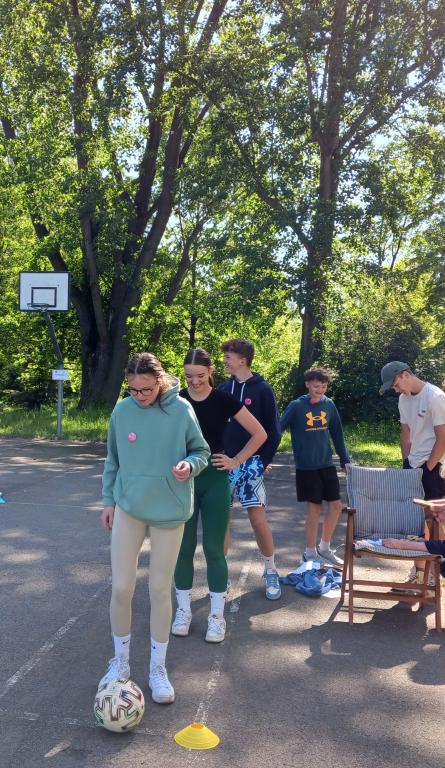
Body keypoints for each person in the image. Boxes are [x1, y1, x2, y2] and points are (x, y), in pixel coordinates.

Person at [100, 352, 210, 704]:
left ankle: (157, 668)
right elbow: (113, 460)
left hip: (169, 510)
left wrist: (189, 466)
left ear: (160, 381)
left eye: (146, 390)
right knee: (121, 588)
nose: (140, 396)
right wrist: (108, 501)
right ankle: (120, 663)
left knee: (160, 590)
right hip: (129, 507)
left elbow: (202, 452)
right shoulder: (122, 411)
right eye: (133, 390)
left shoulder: (181, 409)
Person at [172, 348, 267, 642]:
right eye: (189, 376)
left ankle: (216, 617)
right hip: (184, 481)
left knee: (214, 549)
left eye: (200, 375)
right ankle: (183, 611)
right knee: (183, 549)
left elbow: (260, 433)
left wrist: (236, 460)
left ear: (211, 371)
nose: (194, 381)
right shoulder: (176, 401)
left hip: (215, 479)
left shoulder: (224, 399)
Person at [218, 338, 282, 600]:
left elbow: (273, 431)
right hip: (224, 464)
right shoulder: (223, 388)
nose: (224, 360)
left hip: (251, 465)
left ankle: (271, 570)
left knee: (257, 521)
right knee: (222, 521)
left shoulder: (263, 389)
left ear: (242, 360)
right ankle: (220, 574)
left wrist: (262, 462)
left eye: (228, 357)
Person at [380, 361, 445, 586]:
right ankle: (418, 572)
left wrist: (429, 467)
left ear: (405, 375)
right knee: (416, 519)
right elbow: (405, 431)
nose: (395, 389)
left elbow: (442, 438)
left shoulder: (435, 397)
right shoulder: (403, 399)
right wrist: (406, 462)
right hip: (413, 465)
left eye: (395, 384)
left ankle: (433, 575)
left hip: (434, 467)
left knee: (434, 520)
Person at [280, 366, 350, 568]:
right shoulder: (296, 406)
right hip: (306, 467)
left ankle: (324, 548)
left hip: (326, 464)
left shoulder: (329, 404)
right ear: (308, 385)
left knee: (336, 506)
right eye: (316, 386)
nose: (320, 390)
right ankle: (309, 553)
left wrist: (344, 460)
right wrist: (264, 456)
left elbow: (337, 434)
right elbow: (278, 428)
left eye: (324, 386)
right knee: (314, 509)